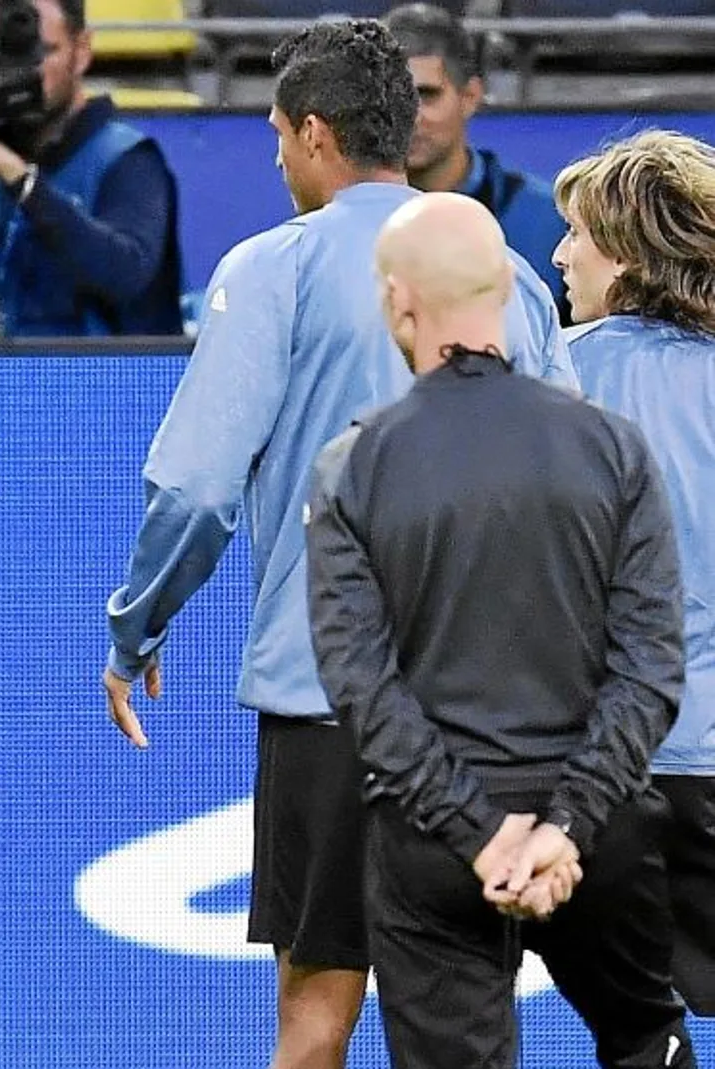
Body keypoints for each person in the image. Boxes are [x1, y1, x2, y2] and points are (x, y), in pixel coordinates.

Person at [99, 20, 574, 1069]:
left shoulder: (272, 267)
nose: (274, 159)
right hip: (484, 710)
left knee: (315, 1011)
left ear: (313, 132)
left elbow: (194, 487)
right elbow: (571, 493)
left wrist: (135, 627)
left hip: (331, 702)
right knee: (465, 1010)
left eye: (277, 136)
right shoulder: (511, 280)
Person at [306, 190, 695, 1069]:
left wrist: (479, 831)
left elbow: (359, 686)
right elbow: (650, 667)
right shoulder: (611, 447)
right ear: (507, 293)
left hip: (431, 847)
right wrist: (565, 826)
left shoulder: (353, 465)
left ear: (399, 300)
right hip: (601, 834)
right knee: (645, 1039)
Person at [557, 130, 715, 1017]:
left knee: (638, 1034)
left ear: (622, 250)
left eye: (574, 233)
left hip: (603, 773)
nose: (558, 255)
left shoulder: (548, 382)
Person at [0, 0, 183, 338]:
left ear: (81, 50)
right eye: (3, 55)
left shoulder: (127, 157)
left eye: (43, 53)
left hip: (99, 379)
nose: (25, 75)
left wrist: (22, 182)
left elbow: (127, 273)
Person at [383, 2, 570, 321]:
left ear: (470, 96)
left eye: (426, 95)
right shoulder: (345, 221)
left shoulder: (549, 220)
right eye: (392, 96)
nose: (409, 116)